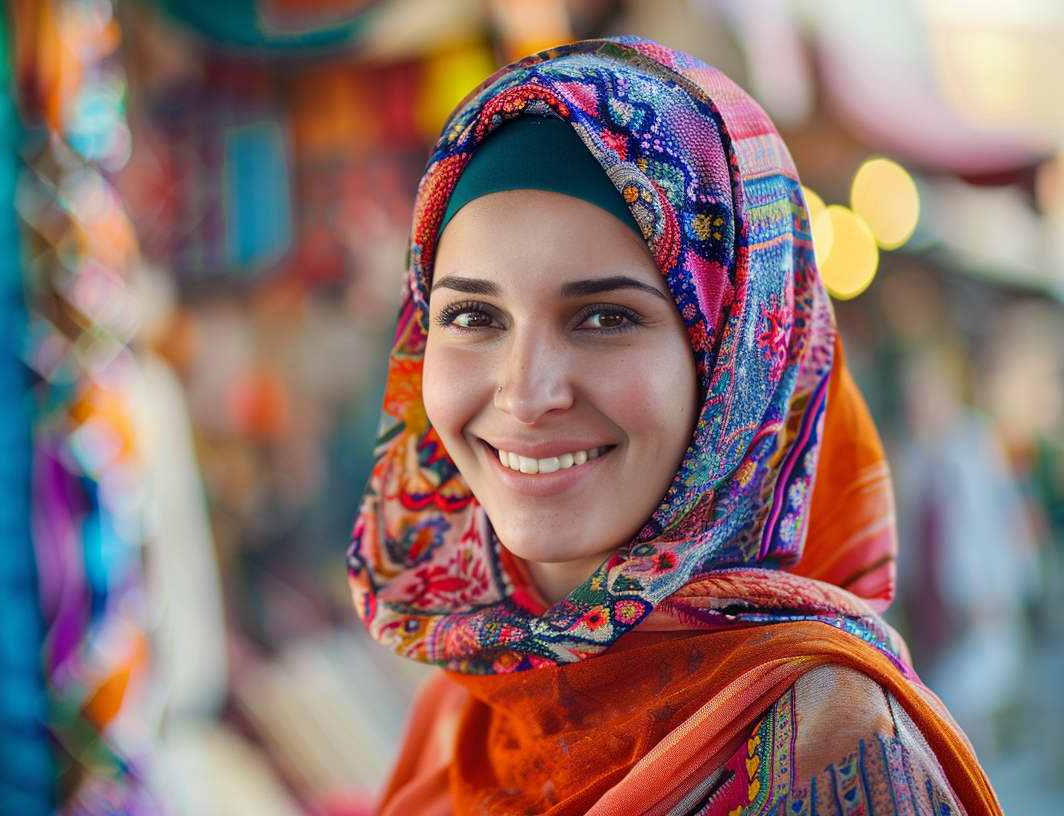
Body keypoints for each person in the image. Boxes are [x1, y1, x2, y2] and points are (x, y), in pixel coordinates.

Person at [346, 38, 1002, 815]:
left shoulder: (830, 741)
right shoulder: (464, 711)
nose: (525, 393)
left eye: (603, 316)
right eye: (473, 316)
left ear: (737, 365)